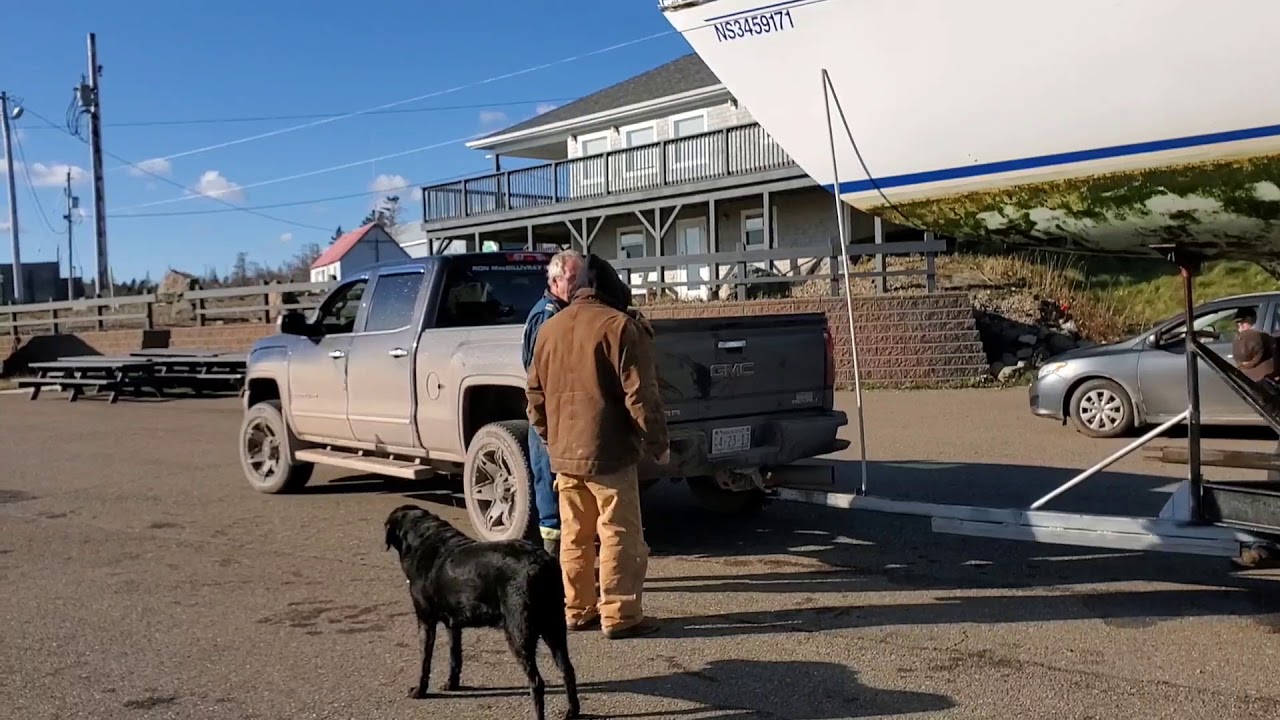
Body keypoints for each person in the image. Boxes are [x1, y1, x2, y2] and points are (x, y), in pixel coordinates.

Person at [526, 252, 669, 640]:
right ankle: (620, 614)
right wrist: (658, 443)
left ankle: (576, 609)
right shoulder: (619, 326)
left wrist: (548, 439)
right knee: (619, 533)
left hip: (565, 456)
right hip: (610, 453)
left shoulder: (549, 329)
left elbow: (534, 399)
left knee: (575, 535)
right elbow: (641, 397)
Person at [521, 249, 586, 556]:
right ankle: (551, 555)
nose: (578, 284)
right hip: (549, 413)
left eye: (581, 278)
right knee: (549, 484)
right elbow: (538, 371)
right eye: (573, 279)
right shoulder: (548, 315)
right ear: (557, 280)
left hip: (564, 414)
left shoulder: (568, 311)